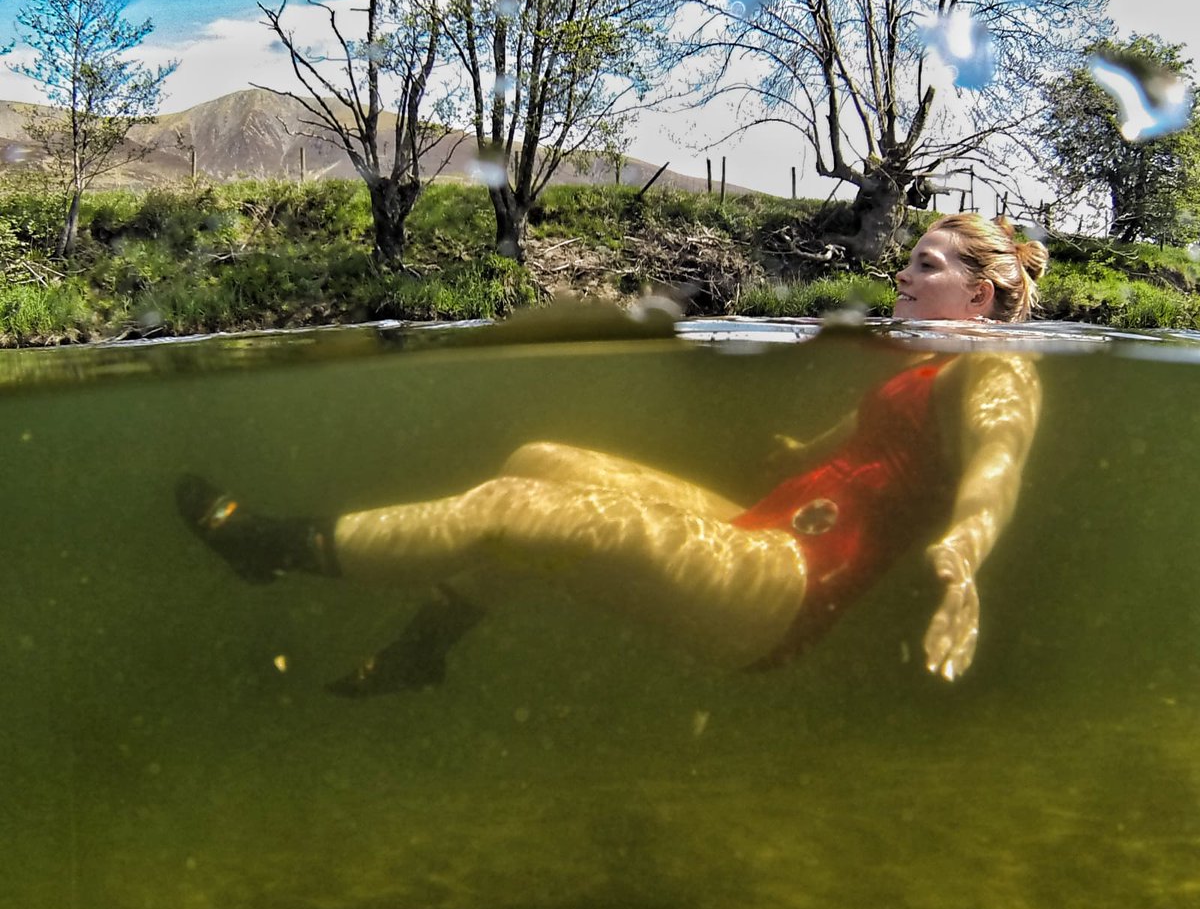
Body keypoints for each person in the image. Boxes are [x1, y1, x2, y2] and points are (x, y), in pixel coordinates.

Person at [176, 214, 1047, 694]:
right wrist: (795, 446)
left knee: (517, 513)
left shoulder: (998, 373)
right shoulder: (930, 363)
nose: (901, 274)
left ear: (978, 290)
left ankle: (267, 547)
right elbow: (874, 448)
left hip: (787, 586)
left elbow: (993, 475)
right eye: (907, 260)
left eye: (924, 265)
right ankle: (427, 647)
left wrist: (963, 564)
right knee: (542, 459)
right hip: (765, 531)